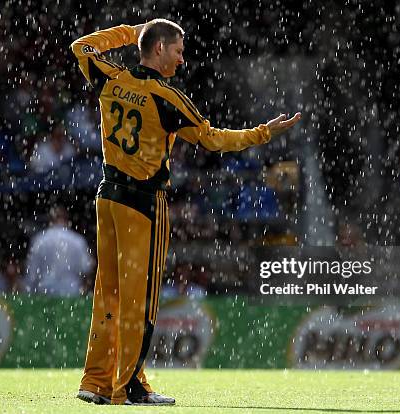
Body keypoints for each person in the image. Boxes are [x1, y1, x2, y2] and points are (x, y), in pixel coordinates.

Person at [70, 18, 301, 406]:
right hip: (143, 201)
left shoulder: (112, 78)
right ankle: (127, 387)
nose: (181, 59)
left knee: (107, 293)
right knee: (139, 300)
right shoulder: (167, 96)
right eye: (177, 50)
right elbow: (212, 139)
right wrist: (264, 133)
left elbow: (81, 47)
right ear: (158, 49)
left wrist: (130, 31)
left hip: (107, 195)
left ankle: (95, 381)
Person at [25, 206, 94, 296]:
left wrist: (30, 292)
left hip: (46, 291)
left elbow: (32, 273)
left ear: (51, 219)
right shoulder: (78, 240)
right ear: (67, 219)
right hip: (71, 292)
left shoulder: (40, 240)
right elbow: (86, 269)